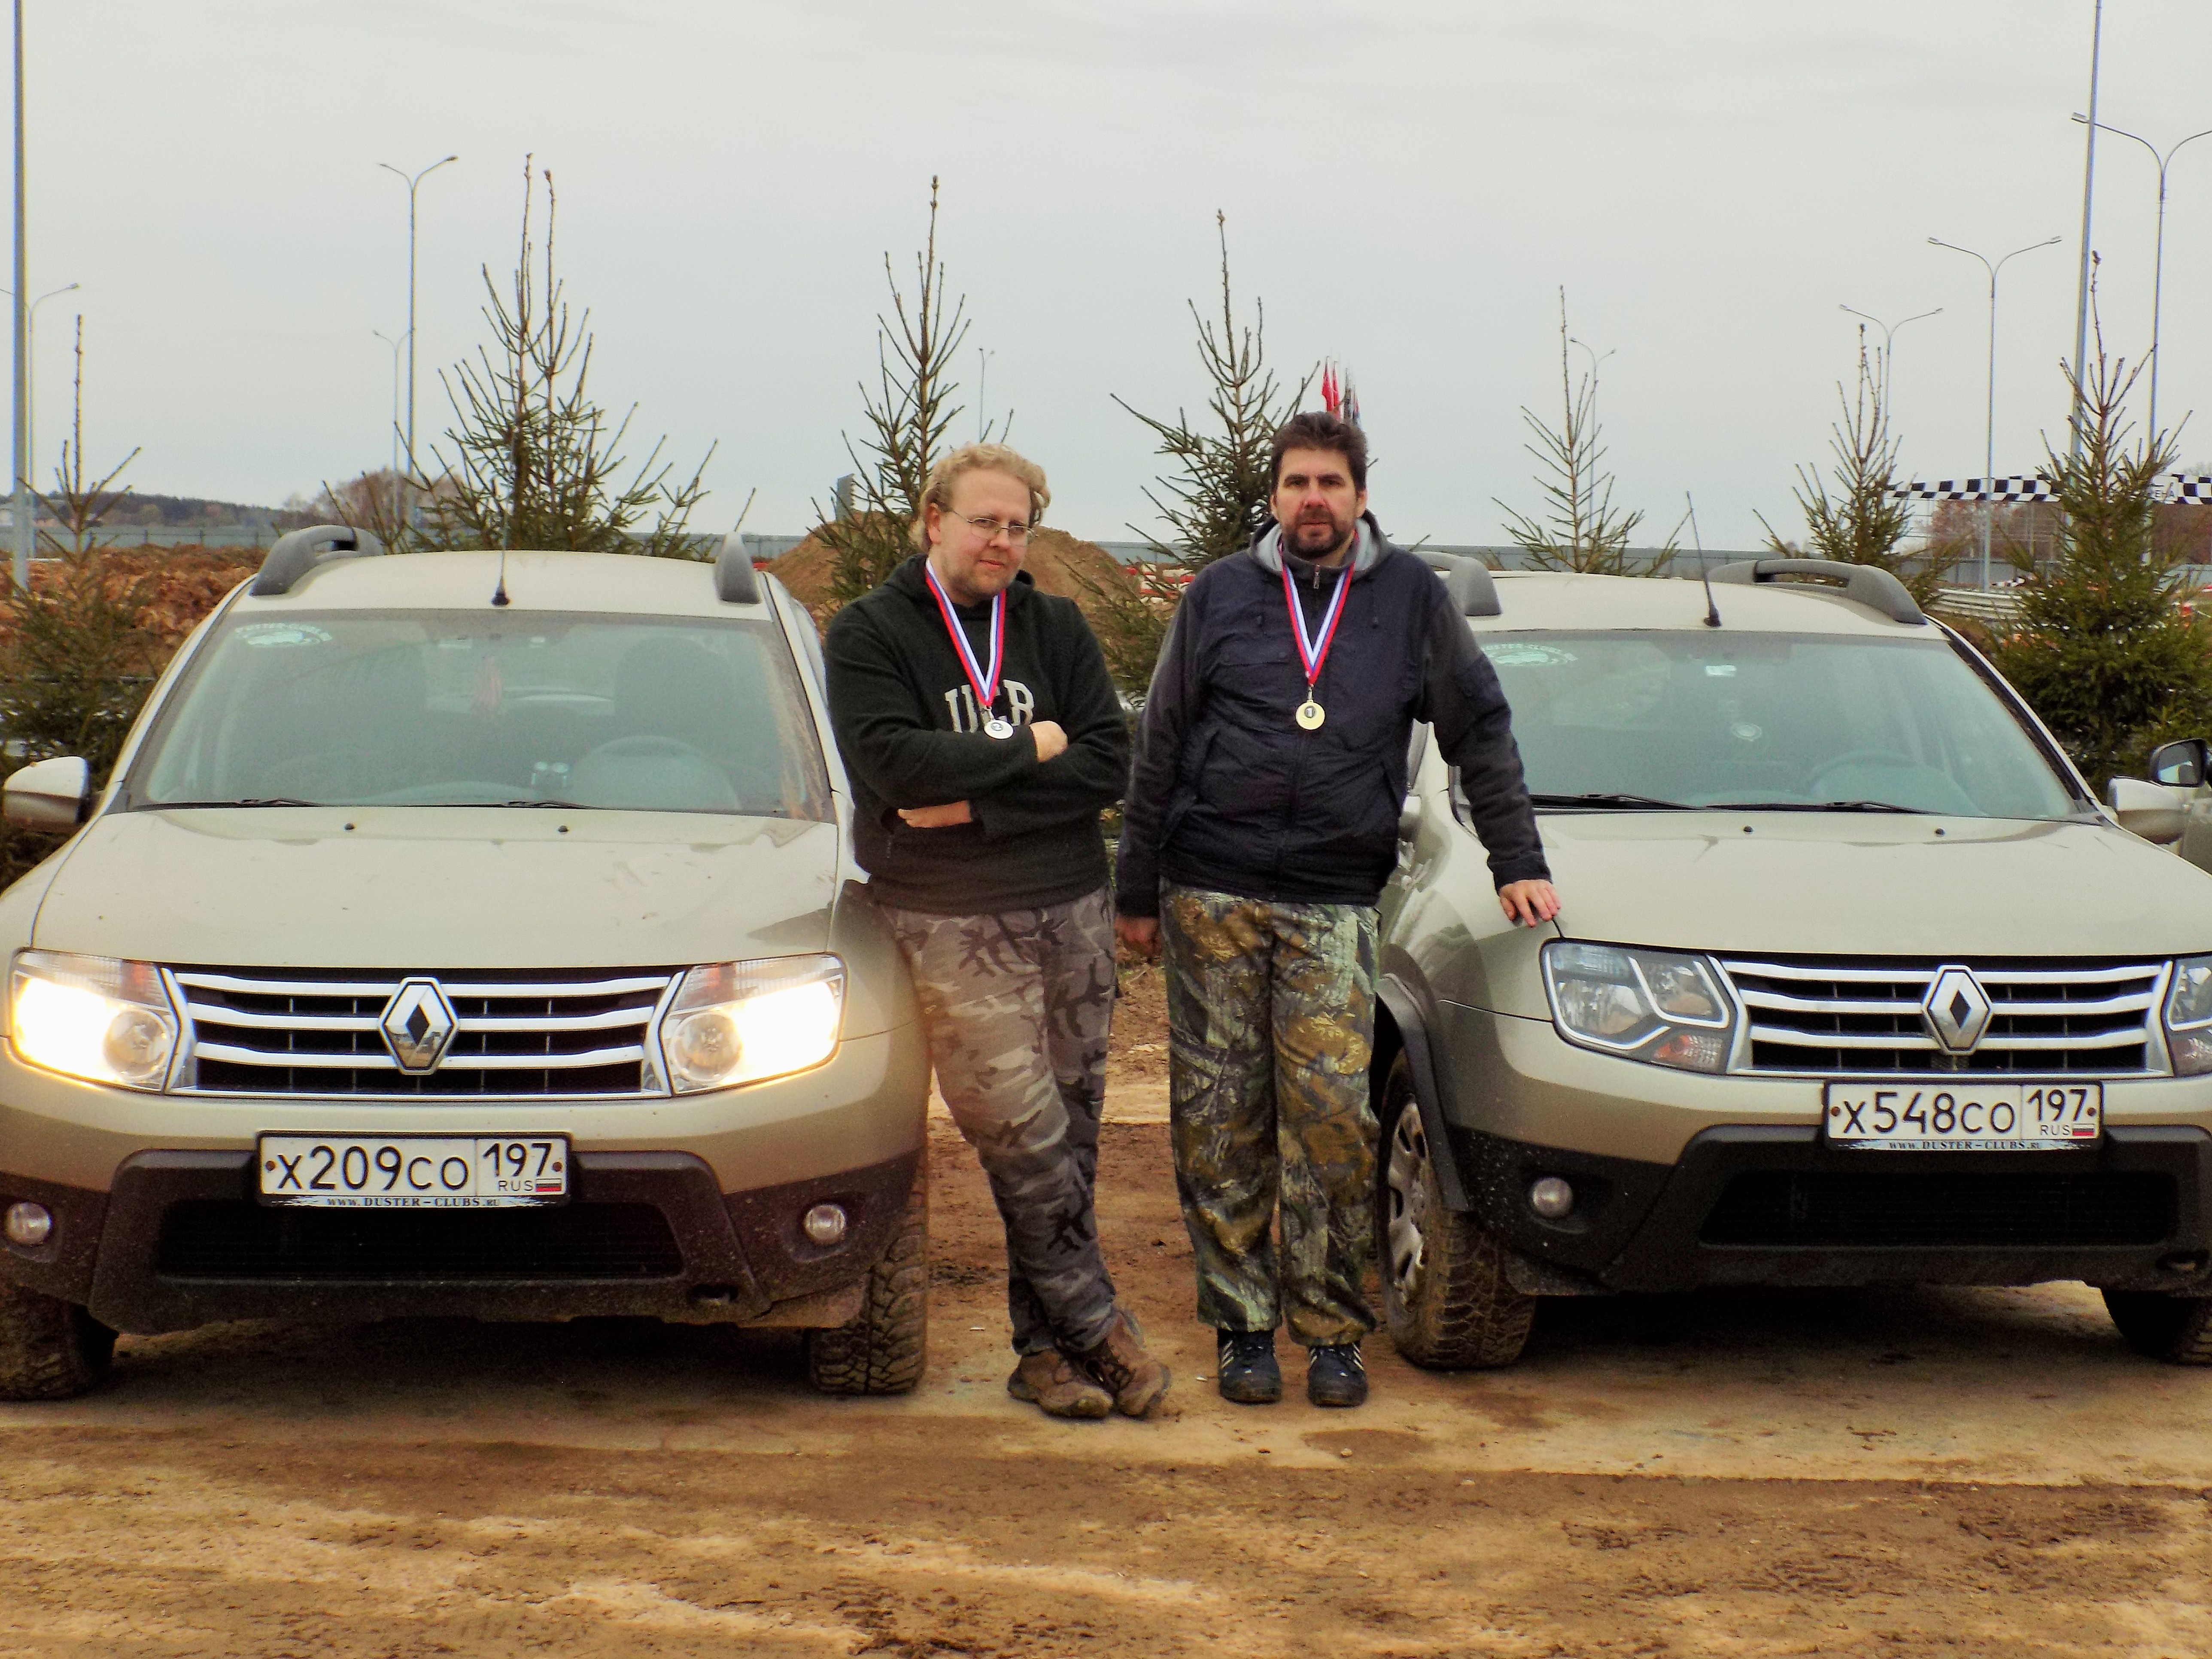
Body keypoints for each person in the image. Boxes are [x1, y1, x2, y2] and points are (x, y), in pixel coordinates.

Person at [1114, 411, 1559, 1409]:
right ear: (1273, 497)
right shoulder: (1220, 594)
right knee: (1219, 1120)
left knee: (1328, 1122)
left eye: (1329, 483)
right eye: (1295, 483)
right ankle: (1241, 1325)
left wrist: (1515, 860)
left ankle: (1330, 1333)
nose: (1311, 499)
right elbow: (1161, 738)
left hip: (1331, 898)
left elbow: (1479, 731)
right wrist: (1134, 889)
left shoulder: (1409, 600)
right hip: (1212, 892)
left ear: (1359, 496)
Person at [825, 442, 1170, 1421]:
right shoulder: (869, 631)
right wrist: (1030, 744)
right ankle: (1096, 1324)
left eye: (1018, 526)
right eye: (984, 522)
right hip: (948, 918)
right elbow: (896, 768)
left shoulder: (1054, 625)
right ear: (934, 520)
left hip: (1070, 907)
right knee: (1020, 1132)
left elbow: (1106, 762)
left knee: (1073, 1133)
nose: (1002, 542)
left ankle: (1044, 1356)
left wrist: (976, 805)